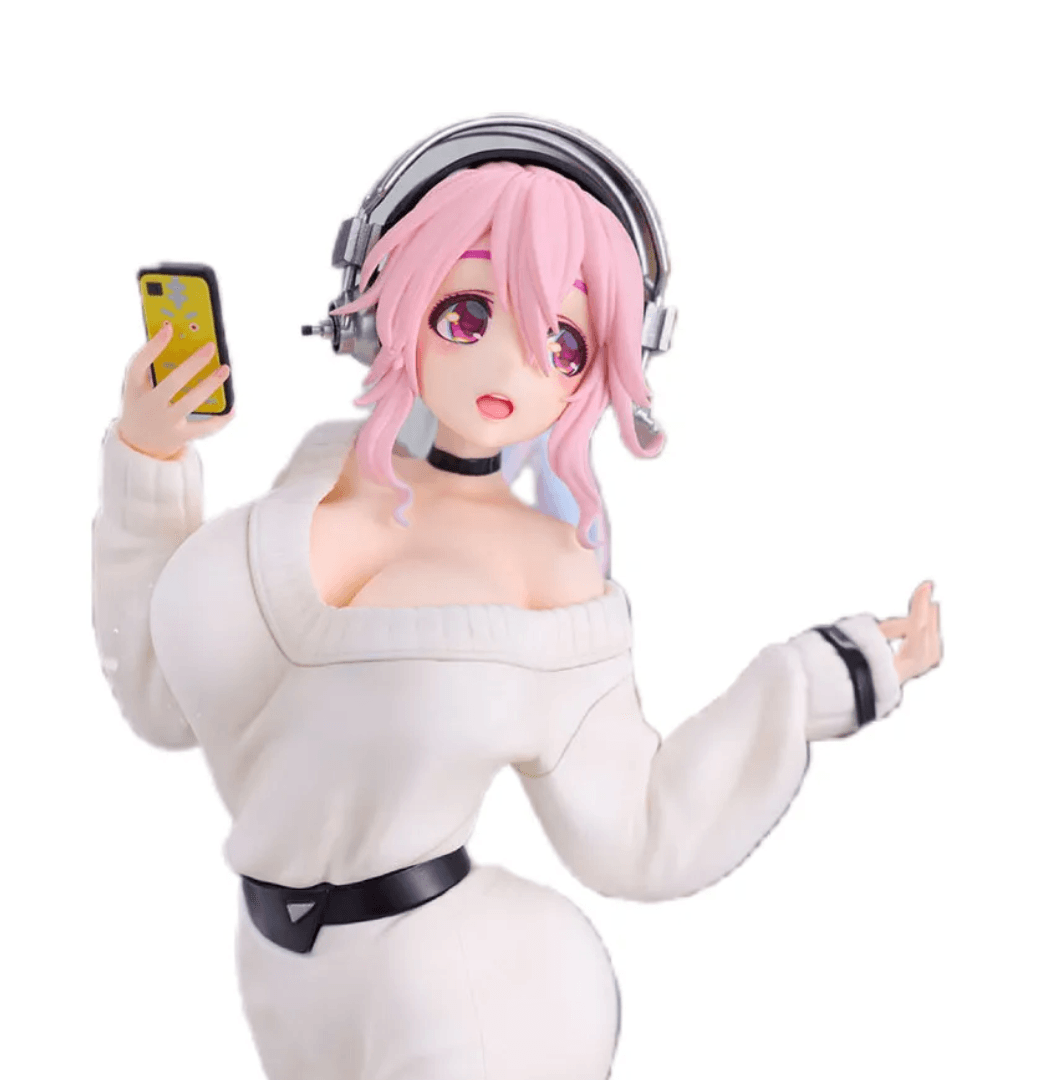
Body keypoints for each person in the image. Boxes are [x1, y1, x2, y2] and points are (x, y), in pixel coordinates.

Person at [92, 157, 941, 1080]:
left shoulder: (551, 571)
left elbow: (641, 826)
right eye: (466, 314)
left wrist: (825, 677)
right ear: (381, 303)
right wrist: (148, 460)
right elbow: (159, 700)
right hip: (277, 977)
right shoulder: (314, 475)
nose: (509, 366)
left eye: (564, 344)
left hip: (468, 997)